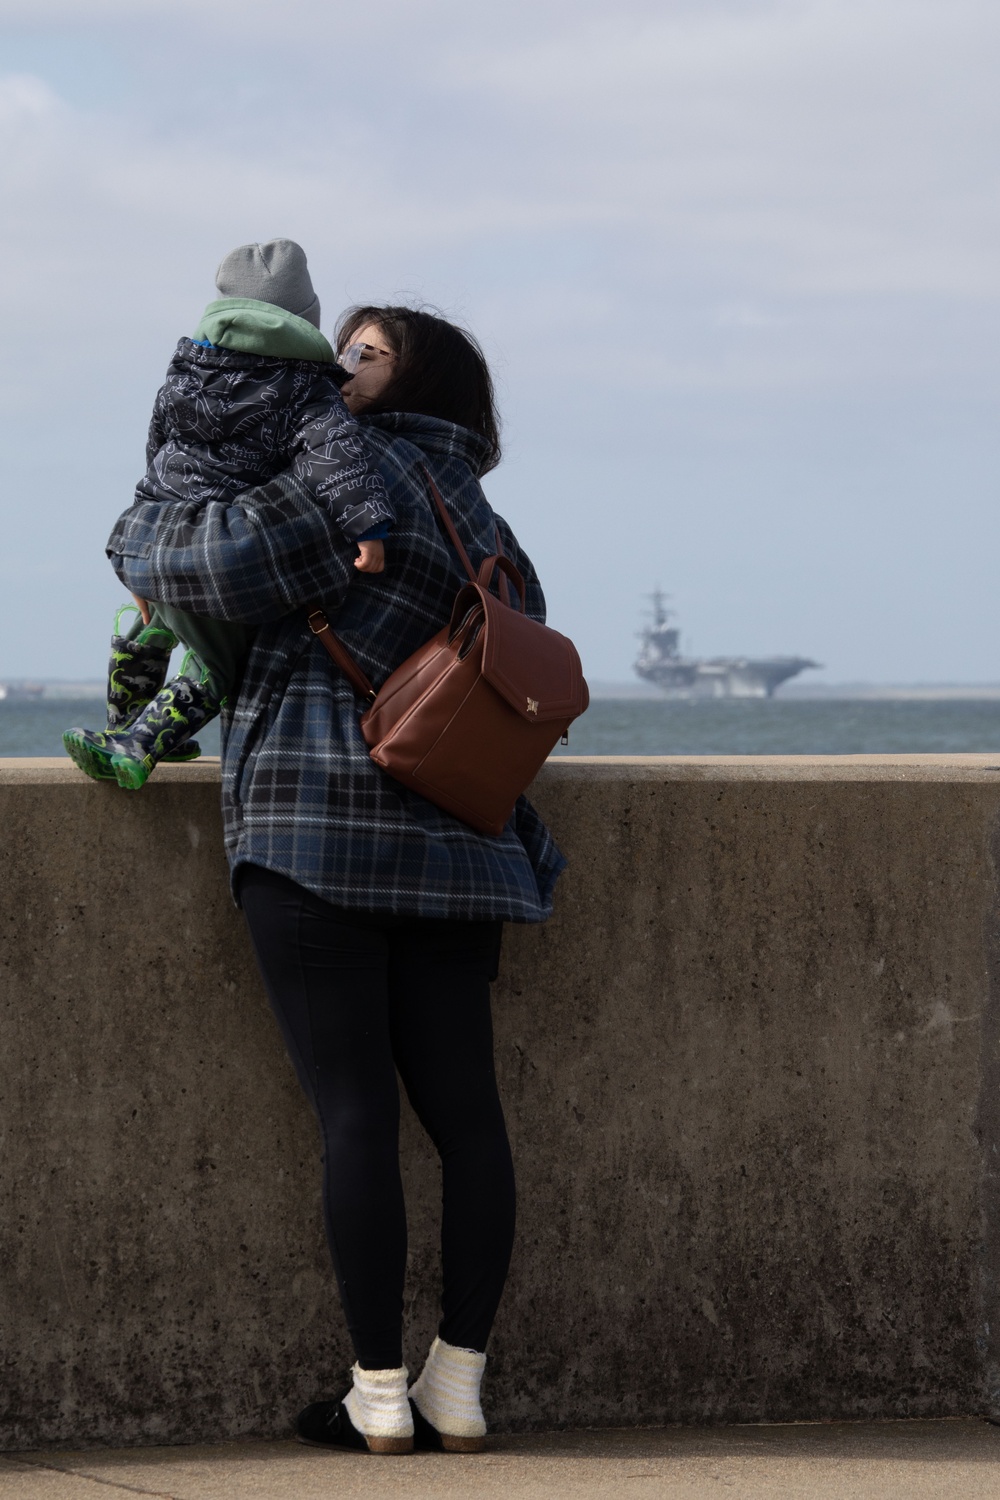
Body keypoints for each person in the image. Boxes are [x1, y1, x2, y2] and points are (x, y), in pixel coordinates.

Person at [105, 304, 566, 1455]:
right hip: (465, 844)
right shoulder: (492, 523)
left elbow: (174, 558)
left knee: (355, 1114)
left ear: (408, 383)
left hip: (315, 831)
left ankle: (374, 1395)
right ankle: (457, 1383)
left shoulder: (330, 473)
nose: (334, 364)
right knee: (469, 1120)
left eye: (363, 352)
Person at [63, 239, 393, 791]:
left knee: (149, 623)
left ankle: (121, 718)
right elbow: (335, 456)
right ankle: (139, 746)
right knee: (215, 665)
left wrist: (151, 522)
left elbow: (159, 451)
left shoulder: (186, 372)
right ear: (305, 321)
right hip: (217, 543)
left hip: (154, 530)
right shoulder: (307, 389)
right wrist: (369, 528)